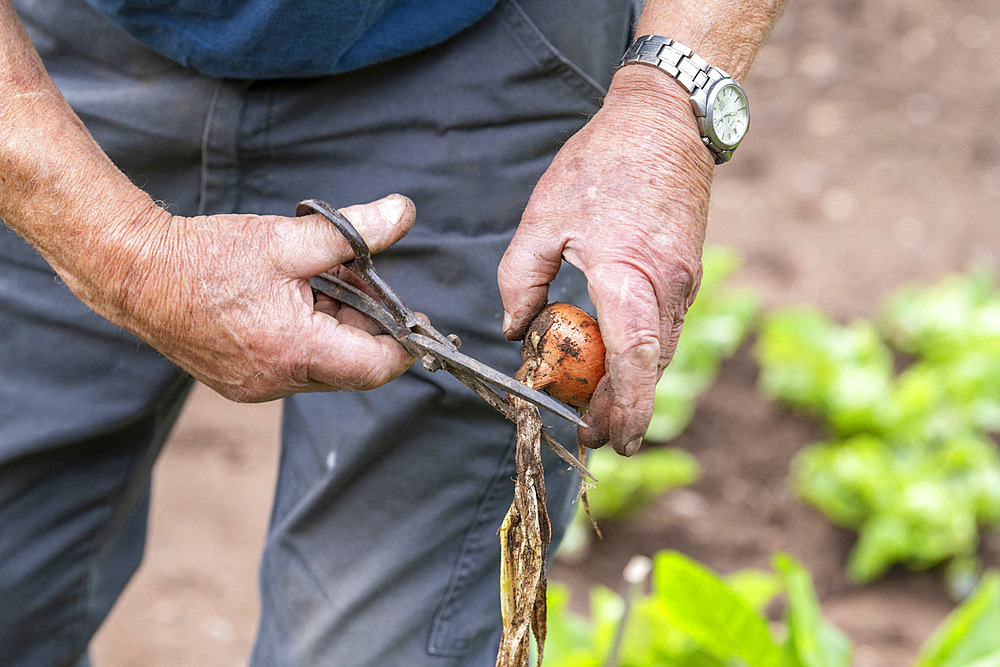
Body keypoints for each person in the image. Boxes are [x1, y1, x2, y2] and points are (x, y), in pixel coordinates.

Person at [0, 0, 785, 663]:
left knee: (371, 640)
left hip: (481, 53)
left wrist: (666, 103)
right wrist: (126, 257)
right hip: (51, 68)